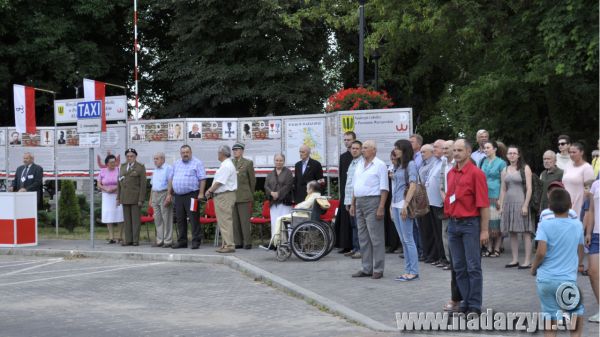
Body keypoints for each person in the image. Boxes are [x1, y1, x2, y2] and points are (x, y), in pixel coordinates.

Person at [444, 138, 489, 315]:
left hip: (470, 224)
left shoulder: (476, 173)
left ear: (469, 152)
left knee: (473, 267)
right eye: (454, 150)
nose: (455, 153)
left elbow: (483, 204)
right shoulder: (451, 173)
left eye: (459, 150)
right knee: (459, 267)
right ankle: (465, 301)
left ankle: (475, 305)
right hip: (453, 224)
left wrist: (484, 230)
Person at [532, 188, 585, 336]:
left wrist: (533, 267)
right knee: (576, 313)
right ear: (570, 205)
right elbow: (580, 250)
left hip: (546, 279)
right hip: (567, 280)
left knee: (550, 317)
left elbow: (541, 252)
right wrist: (578, 264)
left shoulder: (544, 225)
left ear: (549, 207)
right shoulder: (577, 225)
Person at [350, 140, 389, 280]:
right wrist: (353, 204)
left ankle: (378, 268)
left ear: (374, 150)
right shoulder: (359, 164)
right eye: (363, 148)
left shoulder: (380, 165)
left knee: (376, 237)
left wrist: (381, 206)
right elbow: (355, 185)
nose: (363, 150)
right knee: (363, 237)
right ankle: (366, 268)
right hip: (359, 201)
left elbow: (384, 188)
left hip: (373, 201)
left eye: (366, 148)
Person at [499, 145, 534, 269]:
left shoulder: (525, 168)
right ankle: (514, 259)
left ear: (519, 155)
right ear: (507, 155)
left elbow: (529, 188)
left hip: (521, 202)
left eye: (514, 153)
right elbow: (503, 189)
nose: (512, 155)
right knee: (512, 231)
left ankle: (527, 260)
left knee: (525, 232)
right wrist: (501, 205)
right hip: (508, 203)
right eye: (510, 153)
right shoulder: (505, 170)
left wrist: (525, 205)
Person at [390, 139, 419, 282]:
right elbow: (396, 186)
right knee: (403, 239)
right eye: (395, 148)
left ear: (405, 149)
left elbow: (413, 185)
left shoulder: (411, 165)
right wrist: (391, 205)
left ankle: (413, 271)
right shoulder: (399, 165)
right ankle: (407, 269)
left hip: (403, 204)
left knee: (408, 239)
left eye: (398, 148)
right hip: (395, 204)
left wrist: (405, 205)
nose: (395, 150)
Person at [169, 145, 206, 249]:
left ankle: (196, 241)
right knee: (180, 219)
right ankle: (182, 241)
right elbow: (171, 179)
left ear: (191, 152)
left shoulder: (197, 163)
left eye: (187, 152)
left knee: (193, 218)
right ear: (180, 153)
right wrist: (169, 193)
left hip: (192, 195)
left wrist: (201, 193)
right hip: (178, 196)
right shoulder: (176, 163)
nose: (185, 154)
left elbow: (202, 179)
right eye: (183, 152)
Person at [271, 181, 325, 246]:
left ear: (311, 189)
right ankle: (281, 240)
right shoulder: (318, 195)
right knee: (282, 219)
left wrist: (296, 206)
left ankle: (278, 242)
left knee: (280, 219)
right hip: (307, 215)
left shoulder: (313, 197)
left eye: (307, 188)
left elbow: (305, 205)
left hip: (304, 216)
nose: (306, 190)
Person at [205, 145, 237, 253]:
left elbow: (219, 182)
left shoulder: (226, 165)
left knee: (225, 221)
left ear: (222, 153)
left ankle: (229, 245)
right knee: (223, 221)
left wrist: (209, 191)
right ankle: (225, 244)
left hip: (224, 196)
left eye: (218, 153)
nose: (217, 154)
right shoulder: (226, 164)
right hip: (224, 196)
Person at [480, 141, 507, 257]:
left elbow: (504, 183)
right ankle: (489, 246)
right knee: (487, 222)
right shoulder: (483, 161)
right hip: (484, 194)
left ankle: (497, 247)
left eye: (488, 147)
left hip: (496, 194)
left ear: (495, 149)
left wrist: (501, 199)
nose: (485, 150)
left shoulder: (501, 163)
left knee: (497, 222)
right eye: (484, 148)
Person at [117, 148, 147, 246]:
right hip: (124, 197)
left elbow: (143, 185)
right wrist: (118, 197)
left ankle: (135, 240)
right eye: (128, 156)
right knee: (127, 221)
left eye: (131, 156)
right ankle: (128, 240)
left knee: (135, 221)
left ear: (135, 157)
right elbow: (119, 182)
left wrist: (141, 199)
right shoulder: (123, 166)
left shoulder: (140, 167)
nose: (129, 158)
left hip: (135, 198)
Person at [264, 153, 294, 243]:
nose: (278, 162)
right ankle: (276, 242)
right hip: (273, 203)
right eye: (277, 160)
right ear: (274, 161)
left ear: (284, 161)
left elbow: (288, 186)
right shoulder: (270, 174)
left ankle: (287, 242)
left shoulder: (288, 172)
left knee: (286, 223)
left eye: (281, 160)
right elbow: (266, 186)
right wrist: (271, 193)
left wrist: (278, 193)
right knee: (275, 223)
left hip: (284, 202)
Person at [231, 143, 256, 249]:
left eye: (237, 149)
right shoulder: (230, 163)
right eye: (234, 150)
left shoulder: (248, 163)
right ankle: (237, 242)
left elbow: (252, 181)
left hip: (244, 196)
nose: (235, 151)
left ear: (242, 151)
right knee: (235, 221)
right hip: (232, 196)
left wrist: (250, 194)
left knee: (244, 221)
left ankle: (247, 242)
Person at [336, 131, 357, 254]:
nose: (346, 142)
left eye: (349, 139)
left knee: (353, 220)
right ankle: (345, 245)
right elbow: (341, 176)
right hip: (345, 191)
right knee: (344, 219)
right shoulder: (343, 157)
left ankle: (354, 245)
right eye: (345, 140)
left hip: (354, 193)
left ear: (354, 140)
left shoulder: (357, 157)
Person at [562, 142, 594, 215]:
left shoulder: (587, 168)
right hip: (565, 205)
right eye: (570, 152)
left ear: (581, 152)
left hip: (579, 206)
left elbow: (589, 190)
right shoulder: (568, 165)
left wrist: (585, 208)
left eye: (574, 152)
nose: (571, 154)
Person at [149, 152, 173, 248]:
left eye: (157, 159)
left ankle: (168, 241)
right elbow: (152, 185)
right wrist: (150, 198)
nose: (155, 161)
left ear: (162, 159)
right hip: (155, 194)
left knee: (166, 218)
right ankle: (160, 240)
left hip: (164, 194)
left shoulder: (168, 168)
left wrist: (169, 195)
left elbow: (170, 182)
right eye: (154, 159)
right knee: (157, 219)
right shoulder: (155, 170)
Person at [343, 140, 363, 259]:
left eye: (356, 148)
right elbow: (349, 184)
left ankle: (361, 249)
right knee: (353, 225)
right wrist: (347, 202)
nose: (354, 150)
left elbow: (357, 184)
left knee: (358, 225)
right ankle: (355, 247)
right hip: (350, 200)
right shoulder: (352, 162)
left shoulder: (361, 163)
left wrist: (353, 202)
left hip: (357, 200)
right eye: (352, 148)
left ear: (361, 150)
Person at [98, 154, 123, 244]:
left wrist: (115, 188)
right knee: (109, 216)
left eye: (114, 162)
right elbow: (99, 184)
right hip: (107, 196)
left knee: (120, 215)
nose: (113, 163)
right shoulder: (102, 171)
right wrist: (105, 189)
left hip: (117, 195)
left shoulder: (119, 170)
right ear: (107, 163)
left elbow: (122, 182)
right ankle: (111, 237)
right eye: (111, 162)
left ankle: (120, 236)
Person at [584, 179, 600, 322]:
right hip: (596, 234)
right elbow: (592, 210)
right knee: (593, 272)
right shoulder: (596, 184)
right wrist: (588, 232)